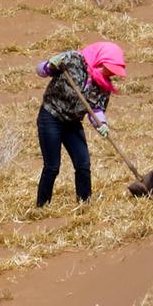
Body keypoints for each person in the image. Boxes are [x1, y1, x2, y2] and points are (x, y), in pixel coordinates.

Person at [33, 41, 126, 207]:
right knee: (52, 166)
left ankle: (85, 204)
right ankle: (42, 206)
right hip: (51, 117)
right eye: (110, 68)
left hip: (73, 123)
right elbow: (40, 71)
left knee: (83, 163)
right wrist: (49, 65)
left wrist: (101, 124)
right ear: (100, 61)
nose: (112, 74)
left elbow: (95, 110)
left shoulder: (103, 87)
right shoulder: (72, 60)